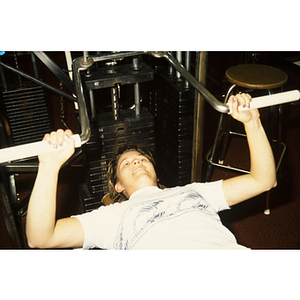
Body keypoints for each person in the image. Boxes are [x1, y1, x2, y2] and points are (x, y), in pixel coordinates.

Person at [26, 93, 276, 249]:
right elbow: (41, 239)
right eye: (126, 163)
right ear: (118, 187)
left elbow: (264, 180)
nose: (136, 162)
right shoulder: (111, 217)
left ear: (157, 174)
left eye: (142, 159)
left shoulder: (193, 191)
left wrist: (252, 123)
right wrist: (49, 167)